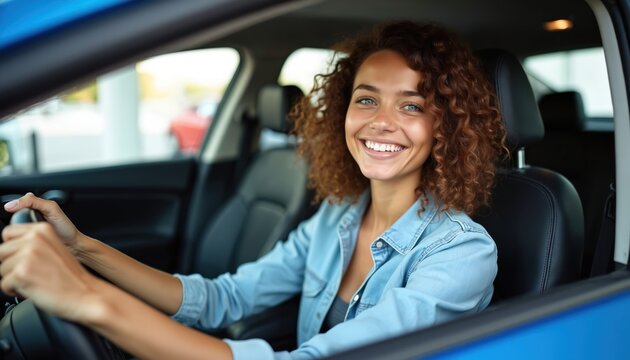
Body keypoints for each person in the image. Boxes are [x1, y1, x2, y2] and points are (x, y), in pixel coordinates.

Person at [0, 22, 507, 359]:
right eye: (367, 99)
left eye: (412, 106)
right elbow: (222, 299)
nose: (381, 123)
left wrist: (86, 299)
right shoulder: (337, 217)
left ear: (446, 129)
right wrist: (81, 249)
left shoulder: (461, 252)